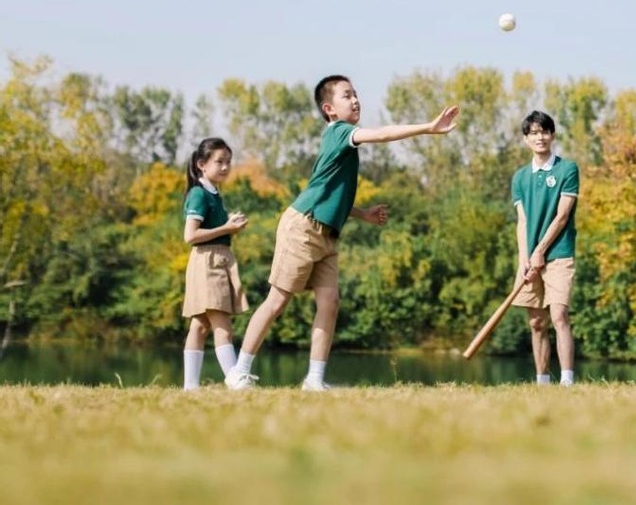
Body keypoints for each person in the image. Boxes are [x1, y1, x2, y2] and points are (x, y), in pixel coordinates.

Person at [224, 75, 458, 390]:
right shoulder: (340, 133)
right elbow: (383, 134)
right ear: (330, 109)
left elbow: (331, 194)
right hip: (303, 228)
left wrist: (363, 214)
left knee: (330, 301)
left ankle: (315, 380)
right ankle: (239, 371)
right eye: (347, 95)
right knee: (278, 300)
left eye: (356, 94)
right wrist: (427, 128)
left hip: (328, 233)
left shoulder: (343, 144)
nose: (356, 100)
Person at [510, 111, 580, 386]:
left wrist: (540, 251)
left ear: (552, 135)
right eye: (534, 133)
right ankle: (542, 383)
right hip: (530, 259)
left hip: (559, 254)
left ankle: (567, 381)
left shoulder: (567, 169)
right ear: (526, 139)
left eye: (545, 131)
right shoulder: (520, 178)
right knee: (537, 323)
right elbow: (522, 222)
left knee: (558, 314)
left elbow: (562, 216)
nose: (540, 137)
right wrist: (524, 259)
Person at [181, 137, 250, 390]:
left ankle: (190, 388)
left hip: (213, 260)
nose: (225, 167)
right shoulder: (199, 193)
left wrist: (228, 225)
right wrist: (227, 227)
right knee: (223, 326)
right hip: (208, 262)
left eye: (228, 162)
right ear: (201, 164)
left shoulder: (213, 193)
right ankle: (236, 381)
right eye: (219, 161)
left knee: (200, 326)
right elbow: (190, 236)